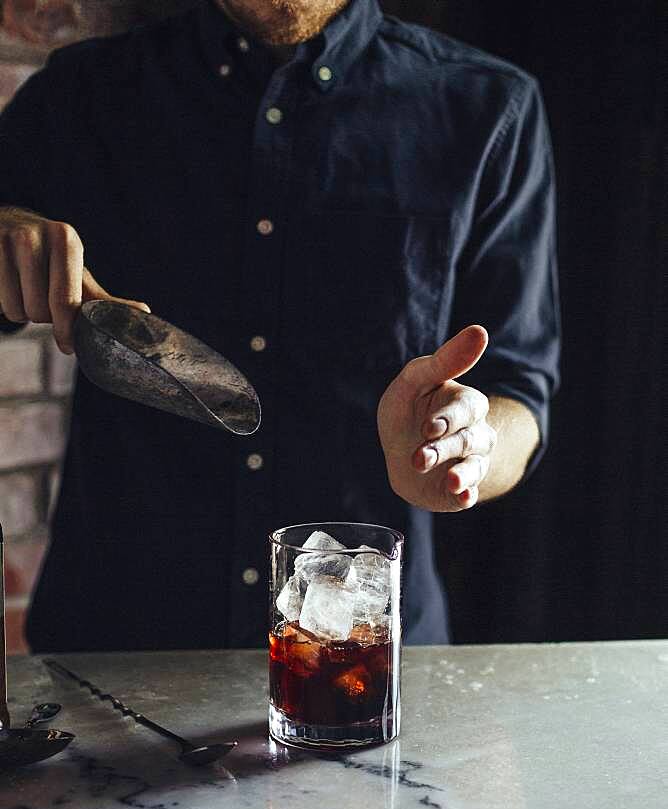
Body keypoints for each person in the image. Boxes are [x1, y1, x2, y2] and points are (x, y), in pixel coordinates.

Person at [0, 0, 560, 652]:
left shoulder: (490, 107)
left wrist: (462, 450)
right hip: (112, 654)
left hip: (362, 662)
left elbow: (521, 396)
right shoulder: (78, 92)